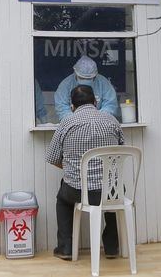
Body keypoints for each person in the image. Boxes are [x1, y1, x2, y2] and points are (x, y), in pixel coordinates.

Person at [45, 85, 125, 260]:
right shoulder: (111, 120)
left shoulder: (67, 122)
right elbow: (120, 153)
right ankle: (111, 247)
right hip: (109, 191)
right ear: (95, 102)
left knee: (62, 198)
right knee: (113, 189)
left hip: (77, 192)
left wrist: (73, 169)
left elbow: (52, 158)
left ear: (72, 106)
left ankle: (66, 248)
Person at [54, 55, 118, 121]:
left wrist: (98, 118)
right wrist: (74, 120)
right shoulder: (66, 85)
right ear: (75, 73)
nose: (85, 81)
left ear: (95, 75)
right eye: (82, 78)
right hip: (74, 124)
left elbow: (111, 105)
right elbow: (61, 107)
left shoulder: (103, 83)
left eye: (89, 78)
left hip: (99, 121)